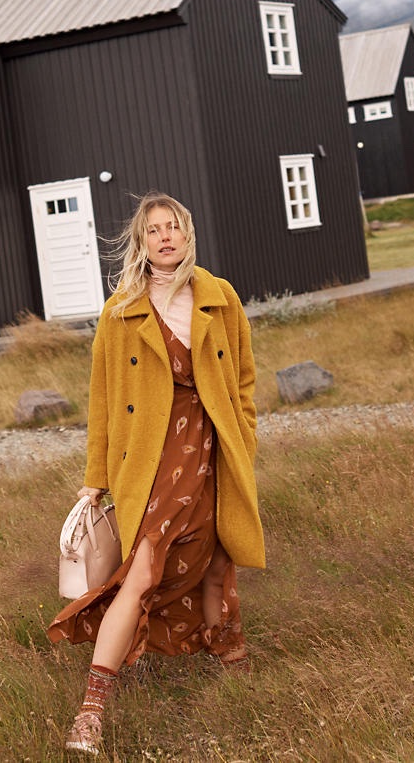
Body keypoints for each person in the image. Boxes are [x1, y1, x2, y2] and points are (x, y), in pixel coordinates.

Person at [47, 192, 265, 756]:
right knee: (142, 571)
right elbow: (101, 401)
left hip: (214, 449)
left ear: (188, 235)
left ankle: (235, 667)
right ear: (141, 243)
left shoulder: (221, 298)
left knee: (217, 565)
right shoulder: (121, 310)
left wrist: (244, 444)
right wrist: (95, 477)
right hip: (152, 458)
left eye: (174, 228)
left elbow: (243, 383)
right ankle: (91, 712)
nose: (165, 238)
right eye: (154, 231)